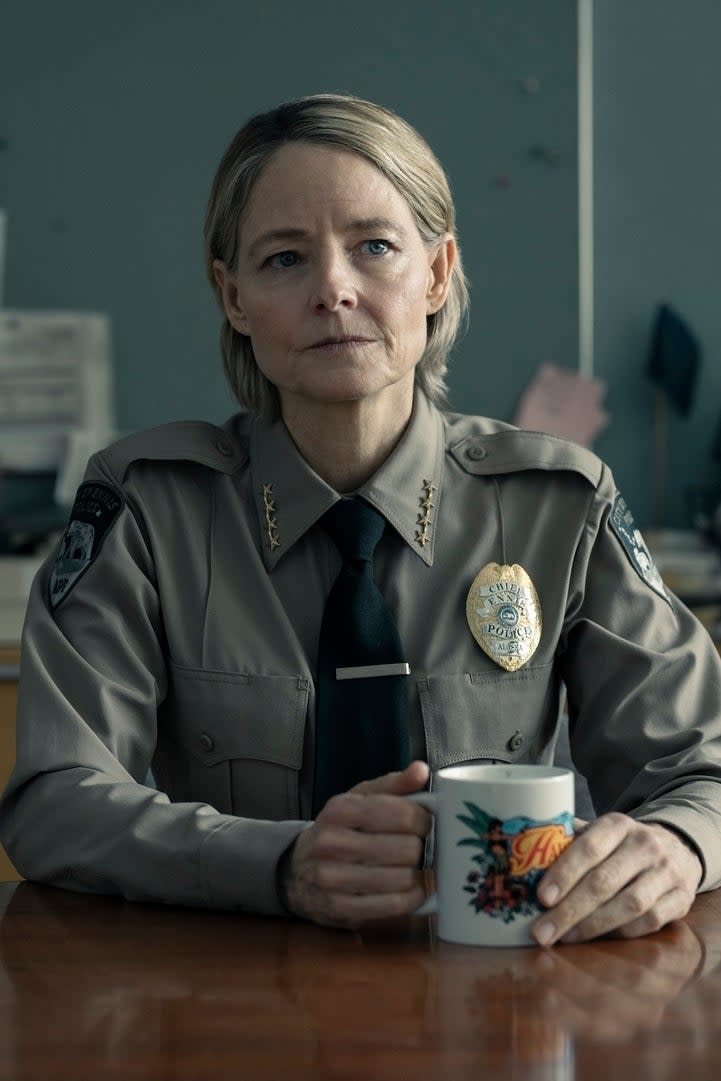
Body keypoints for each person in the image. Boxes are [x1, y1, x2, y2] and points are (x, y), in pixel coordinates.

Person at [1, 94, 719, 947]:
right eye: (283, 259)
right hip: (222, 1005)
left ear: (437, 273)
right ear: (231, 296)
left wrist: (679, 844)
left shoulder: (554, 505)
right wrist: (276, 864)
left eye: (374, 246)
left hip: (502, 1003)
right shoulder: (147, 507)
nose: (333, 289)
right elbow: (54, 800)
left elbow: (699, 766)